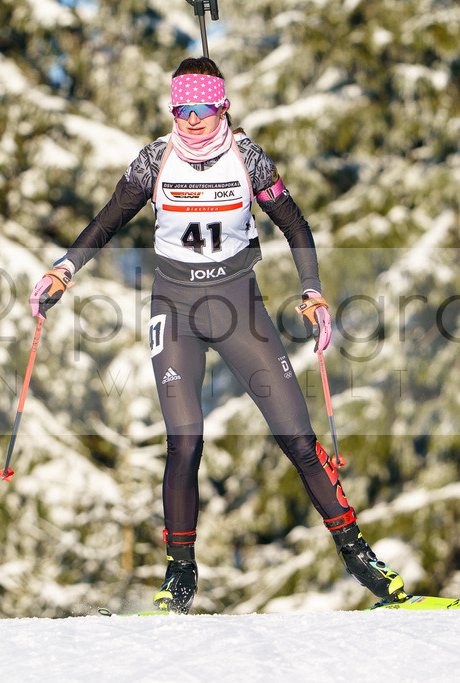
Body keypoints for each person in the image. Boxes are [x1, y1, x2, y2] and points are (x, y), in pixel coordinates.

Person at [30, 57, 407, 614]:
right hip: (175, 307)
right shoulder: (156, 158)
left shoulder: (247, 157)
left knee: (299, 440)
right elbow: (108, 218)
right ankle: (179, 573)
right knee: (184, 442)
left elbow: (295, 224)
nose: (192, 120)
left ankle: (358, 555)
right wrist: (64, 268)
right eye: (181, 109)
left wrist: (312, 291)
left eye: (203, 108)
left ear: (222, 105)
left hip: (237, 305)